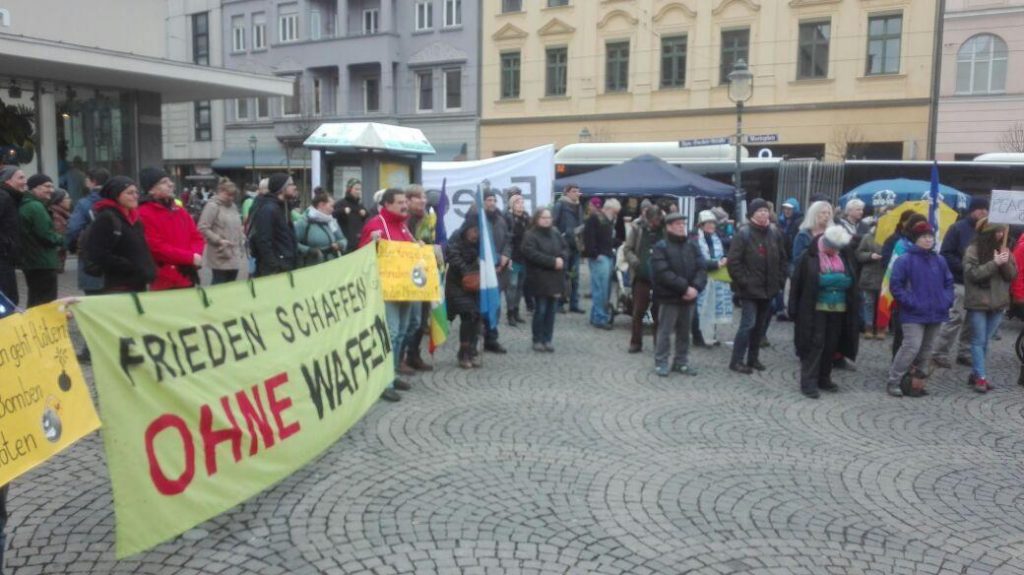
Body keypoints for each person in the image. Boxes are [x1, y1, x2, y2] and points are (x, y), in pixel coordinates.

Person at [359, 188, 416, 401]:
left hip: (405, 287)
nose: (405, 205)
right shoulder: (376, 224)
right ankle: (384, 381)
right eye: (400, 202)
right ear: (388, 204)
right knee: (390, 333)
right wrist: (370, 242)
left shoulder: (403, 224)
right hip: (386, 288)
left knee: (401, 332)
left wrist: (419, 248)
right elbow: (360, 253)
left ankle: (392, 373)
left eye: (405, 201)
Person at [789, 226, 859, 398]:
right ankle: (808, 381)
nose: (836, 251)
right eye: (833, 247)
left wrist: (828, 280)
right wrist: (836, 279)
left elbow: (850, 281)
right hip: (815, 309)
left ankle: (824, 378)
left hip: (839, 309)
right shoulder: (809, 257)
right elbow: (804, 282)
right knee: (815, 344)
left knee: (831, 345)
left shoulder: (843, 255)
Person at [885, 221, 954, 397]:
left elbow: (948, 282)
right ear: (916, 239)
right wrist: (911, 302)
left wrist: (946, 300)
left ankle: (917, 383)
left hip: (936, 311)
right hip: (913, 313)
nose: (928, 240)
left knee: (927, 349)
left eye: (930, 237)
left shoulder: (939, 260)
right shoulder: (904, 260)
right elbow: (896, 286)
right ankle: (894, 380)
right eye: (924, 237)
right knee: (911, 346)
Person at [727, 198, 788, 374]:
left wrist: (780, 280)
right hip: (749, 290)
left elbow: (783, 259)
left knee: (759, 327)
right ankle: (736, 360)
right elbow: (733, 262)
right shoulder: (743, 233)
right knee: (748, 324)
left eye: (765, 210)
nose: (763, 214)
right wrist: (744, 282)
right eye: (759, 211)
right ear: (752, 214)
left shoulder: (775, 232)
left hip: (769, 289)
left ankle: (753, 359)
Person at [932, 196, 989, 369]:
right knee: (955, 317)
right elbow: (946, 253)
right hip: (960, 281)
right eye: (981, 209)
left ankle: (964, 352)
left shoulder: (986, 230)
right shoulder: (957, 228)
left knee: (972, 320)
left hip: (977, 283)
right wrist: (965, 268)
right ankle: (939, 352)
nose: (984, 213)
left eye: (986, 210)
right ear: (973, 210)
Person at [650, 212, 707, 377]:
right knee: (665, 331)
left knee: (685, 331)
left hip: (690, 296)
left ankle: (681, 361)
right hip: (669, 296)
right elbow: (663, 272)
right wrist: (685, 288)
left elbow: (701, 267)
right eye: (678, 224)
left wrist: (695, 287)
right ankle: (661, 362)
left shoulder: (692, 244)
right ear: (668, 227)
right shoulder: (661, 246)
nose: (682, 227)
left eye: (683, 224)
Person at [963, 218, 1017, 393]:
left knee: (985, 340)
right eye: (997, 231)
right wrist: (995, 264)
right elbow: (973, 274)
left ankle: (975, 373)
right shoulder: (973, 250)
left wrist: (1005, 261)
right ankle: (981, 377)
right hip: (979, 303)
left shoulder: (1005, 250)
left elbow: (1012, 275)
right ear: (988, 233)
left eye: (1002, 231)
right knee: (978, 341)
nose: (1001, 235)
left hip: (998, 302)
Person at [81, 176, 157, 294]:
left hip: (138, 284)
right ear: (116, 195)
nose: (135, 196)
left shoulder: (134, 218)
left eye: (136, 192)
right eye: (130, 193)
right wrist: (130, 267)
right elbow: (99, 254)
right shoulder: (107, 218)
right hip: (118, 286)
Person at [137, 167, 205, 290]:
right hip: (165, 280)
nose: (171, 184)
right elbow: (157, 248)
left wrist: (195, 254)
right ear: (151, 190)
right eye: (164, 182)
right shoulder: (144, 213)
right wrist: (190, 258)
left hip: (187, 275)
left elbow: (196, 236)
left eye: (169, 181)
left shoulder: (179, 210)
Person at [399, 185, 439, 373]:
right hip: (406, 276)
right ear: (408, 200)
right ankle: (400, 358)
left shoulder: (427, 219)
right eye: (418, 198)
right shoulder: (404, 220)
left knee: (422, 319)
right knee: (410, 320)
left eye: (424, 197)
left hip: (424, 273)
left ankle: (414, 355)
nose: (423, 201)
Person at [521, 207, 569, 352]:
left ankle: (548, 339)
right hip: (539, 278)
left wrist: (562, 258)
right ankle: (537, 339)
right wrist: (552, 261)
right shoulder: (530, 235)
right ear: (537, 219)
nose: (547, 220)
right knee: (540, 310)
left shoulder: (555, 232)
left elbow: (565, 248)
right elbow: (531, 254)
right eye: (544, 217)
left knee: (551, 311)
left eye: (549, 217)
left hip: (555, 278)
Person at [623, 205, 664, 353]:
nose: (655, 224)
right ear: (647, 218)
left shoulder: (664, 229)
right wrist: (635, 262)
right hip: (641, 276)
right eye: (653, 221)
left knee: (659, 312)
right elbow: (627, 249)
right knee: (638, 311)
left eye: (657, 221)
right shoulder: (637, 228)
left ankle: (658, 343)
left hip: (660, 278)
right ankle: (636, 342)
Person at [18, 174, 64, 306]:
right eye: (47, 186)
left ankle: (33, 325)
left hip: (32, 261)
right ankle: (43, 326)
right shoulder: (35, 207)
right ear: (34, 188)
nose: (51, 190)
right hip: (43, 261)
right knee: (45, 302)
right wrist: (62, 239)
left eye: (52, 186)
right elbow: (46, 235)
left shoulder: (26, 204)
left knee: (35, 299)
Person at [66, 168, 111, 299]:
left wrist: (72, 246)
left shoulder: (85, 203)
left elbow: (73, 229)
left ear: (92, 182)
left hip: (92, 260)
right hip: (118, 265)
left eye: (87, 179)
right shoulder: (118, 200)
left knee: (95, 300)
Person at [445, 216, 483, 368]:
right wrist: (468, 272)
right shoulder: (456, 241)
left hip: (476, 286)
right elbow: (453, 258)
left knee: (475, 317)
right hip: (457, 285)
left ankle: (470, 350)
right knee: (468, 315)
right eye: (474, 231)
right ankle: (463, 353)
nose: (476, 234)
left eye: (478, 231)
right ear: (466, 230)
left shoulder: (481, 245)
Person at [694, 210, 733, 347]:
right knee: (702, 308)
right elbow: (697, 261)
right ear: (701, 225)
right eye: (709, 223)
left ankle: (711, 335)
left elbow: (724, 253)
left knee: (714, 307)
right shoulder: (695, 240)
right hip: (702, 278)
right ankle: (699, 336)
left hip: (716, 278)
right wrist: (716, 263)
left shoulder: (717, 238)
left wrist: (724, 259)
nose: (712, 225)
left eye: (713, 223)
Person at [249, 173, 299, 277]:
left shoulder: (283, 208)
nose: (295, 187)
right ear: (281, 188)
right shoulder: (269, 209)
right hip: (275, 269)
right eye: (291, 184)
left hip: (285, 263)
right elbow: (263, 240)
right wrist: (274, 265)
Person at [197, 178, 245, 284]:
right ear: (221, 192)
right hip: (220, 252)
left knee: (231, 284)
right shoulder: (212, 206)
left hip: (234, 252)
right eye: (228, 195)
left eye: (233, 195)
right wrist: (218, 240)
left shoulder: (233, 207)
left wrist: (242, 238)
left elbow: (237, 225)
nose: (231, 198)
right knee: (219, 283)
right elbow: (202, 227)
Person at [480, 190, 511, 354]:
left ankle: (492, 338)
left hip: (499, 271)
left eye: (493, 200)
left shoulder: (500, 219)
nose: (492, 203)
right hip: (484, 270)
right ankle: (477, 339)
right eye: (488, 200)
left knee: (496, 306)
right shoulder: (477, 220)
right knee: (482, 307)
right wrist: (496, 259)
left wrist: (506, 255)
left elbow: (508, 239)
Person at [583, 197, 621, 329]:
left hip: (606, 256)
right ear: (609, 209)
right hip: (600, 257)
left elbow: (607, 239)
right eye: (615, 212)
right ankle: (600, 318)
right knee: (601, 289)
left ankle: (596, 316)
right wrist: (594, 253)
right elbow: (589, 237)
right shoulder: (595, 219)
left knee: (603, 289)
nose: (615, 215)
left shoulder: (606, 221)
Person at [552, 183, 584, 313]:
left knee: (575, 276)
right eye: (574, 191)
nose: (577, 193)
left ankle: (574, 304)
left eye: (578, 191)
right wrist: (561, 238)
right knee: (563, 276)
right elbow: (554, 224)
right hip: (564, 246)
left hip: (576, 246)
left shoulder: (579, 206)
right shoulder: (560, 205)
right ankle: (559, 303)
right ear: (567, 193)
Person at [295, 193, 346, 268]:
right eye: (331, 206)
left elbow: (343, 239)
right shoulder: (304, 221)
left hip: (331, 266)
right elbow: (293, 243)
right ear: (321, 205)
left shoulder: (331, 221)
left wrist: (340, 244)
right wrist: (308, 250)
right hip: (311, 267)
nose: (333, 209)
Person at [0, 165, 27, 304]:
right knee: (8, 301)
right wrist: (6, 246)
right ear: (7, 181)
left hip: (6, 258)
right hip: (3, 259)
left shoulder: (12, 197)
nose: (25, 181)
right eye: (20, 178)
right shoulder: (3, 196)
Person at [856, 217, 886, 339]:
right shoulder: (868, 237)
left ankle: (881, 328)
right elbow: (858, 254)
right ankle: (868, 327)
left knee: (883, 304)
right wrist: (870, 255)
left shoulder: (890, 238)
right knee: (868, 302)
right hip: (870, 274)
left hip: (885, 275)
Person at [505, 193, 530, 326]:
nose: (521, 204)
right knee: (512, 286)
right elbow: (507, 238)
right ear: (512, 205)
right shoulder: (508, 218)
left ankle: (516, 311)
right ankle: (509, 313)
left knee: (520, 286)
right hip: (513, 257)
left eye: (522, 202)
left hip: (524, 257)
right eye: (517, 202)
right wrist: (507, 256)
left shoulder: (526, 217)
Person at [792, 201, 833, 272]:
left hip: (830, 277)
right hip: (808, 275)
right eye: (823, 213)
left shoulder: (832, 234)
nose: (827, 215)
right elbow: (797, 260)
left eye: (829, 213)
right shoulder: (803, 235)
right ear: (814, 214)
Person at [334, 178, 368, 253]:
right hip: (347, 242)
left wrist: (365, 214)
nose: (358, 192)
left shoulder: (360, 205)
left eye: (359, 189)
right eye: (356, 189)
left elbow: (367, 218)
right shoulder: (341, 203)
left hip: (359, 241)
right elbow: (332, 215)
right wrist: (342, 211)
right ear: (349, 189)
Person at [48, 189, 72, 272]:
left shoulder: (62, 215)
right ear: (59, 201)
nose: (70, 200)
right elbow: (58, 243)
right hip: (55, 265)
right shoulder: (57, 217)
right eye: (67, 198)